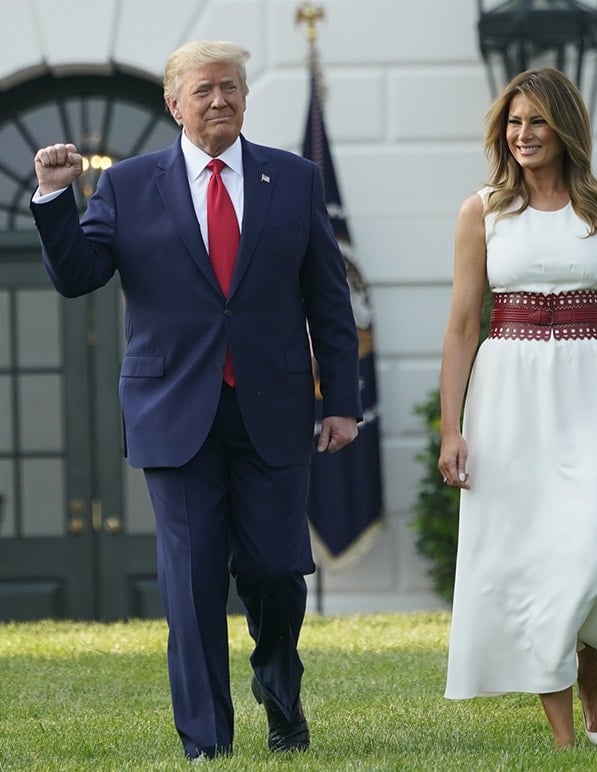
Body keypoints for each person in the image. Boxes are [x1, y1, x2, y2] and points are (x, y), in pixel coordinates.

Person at [30, 40, 361, 761]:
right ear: (174, 104)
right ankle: (207, 742)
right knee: (192, 584)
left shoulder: (294, 180)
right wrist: (57, 198)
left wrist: (341, 400)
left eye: (231, 88)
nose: (220, 101)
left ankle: (280, 695)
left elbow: (328, 300)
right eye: (204, 90)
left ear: (245, 97)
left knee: (276, 569)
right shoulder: (127, 186)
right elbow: (79, 275)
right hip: (174, 412)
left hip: (272, 407)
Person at [437, 68, 597, 749]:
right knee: (537, 556)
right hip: (509, 395)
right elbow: (461, 325)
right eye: (514, 123)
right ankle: (565, 738)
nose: (523, 135)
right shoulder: (481, 211)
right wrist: (451, 428)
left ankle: (591, 675)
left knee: (591, 546)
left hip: (593, 388)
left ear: (565, 127)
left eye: (537, 122)